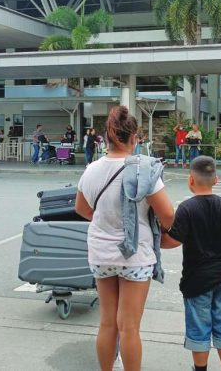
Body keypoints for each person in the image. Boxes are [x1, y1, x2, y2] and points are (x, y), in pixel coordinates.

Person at [75, 105, 174, 371]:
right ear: (134, 138)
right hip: (136, 255)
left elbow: (82, 209)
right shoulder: (144, 170)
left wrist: (108, 219)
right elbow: (168, 216)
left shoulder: (92, 169)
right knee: (129, 327)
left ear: (106, 138)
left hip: (100, 253)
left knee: (107, 322)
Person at [161, 156, 221, 371]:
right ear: (216, 179)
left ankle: (200, 369)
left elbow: (174, 240)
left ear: (190, 180)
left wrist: (158, 240)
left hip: (196, 281)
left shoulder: (186, 208)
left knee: (199, 327)